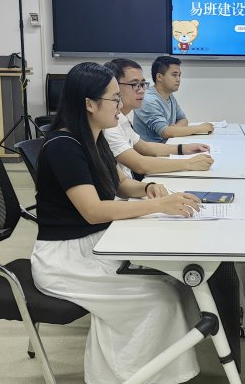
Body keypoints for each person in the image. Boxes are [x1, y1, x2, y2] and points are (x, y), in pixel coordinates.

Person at [31, 62, 202, 384]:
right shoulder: (64, 146)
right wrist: (157, 205)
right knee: (160, 298)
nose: (120, 105)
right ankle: (124, 376)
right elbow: (93, 211)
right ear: (89, 104)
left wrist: (148, 189)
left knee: (176, 283)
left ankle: (152, 373)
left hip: (96, 244)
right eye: (114, 98)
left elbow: (121, 185)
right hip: (66, 258)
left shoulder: (92, 138)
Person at [103, 58, 213, 178]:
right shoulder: (109, 125)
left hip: (139, 174)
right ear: (114, 86)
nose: (141, 91)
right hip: (141, 172)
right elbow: (140, 164)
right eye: (134, 85)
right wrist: (189, 163)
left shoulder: (122, 119)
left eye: (142, 84)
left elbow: (145, 146)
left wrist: (184, 148)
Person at [133, 55, 213, 142]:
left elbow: (183, 119)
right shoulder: (147, 100)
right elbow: (165, 132)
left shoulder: (169, 95)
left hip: (169, 144)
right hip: (154, 149)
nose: (178, 79)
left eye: (179, 75)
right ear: (159, 77)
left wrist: (174, 130)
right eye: (174, 75)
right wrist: (200, 128)